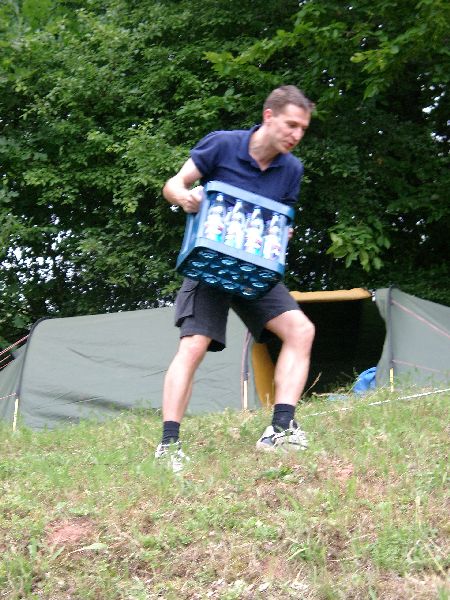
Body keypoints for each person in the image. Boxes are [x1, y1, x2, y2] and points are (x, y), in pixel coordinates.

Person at [156, 85, 316, 472]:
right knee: (194, 346)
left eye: (302, 129)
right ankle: (168, 446)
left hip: (254, 270)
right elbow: (173, 185)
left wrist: (284, 233)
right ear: (268, 116)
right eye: (291, 125)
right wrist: (186, 198)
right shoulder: (223, 145)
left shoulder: (291, 170)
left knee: (301, 330)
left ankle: (280, 429)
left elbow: (282, 219)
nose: (296, 134)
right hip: (209, 263)